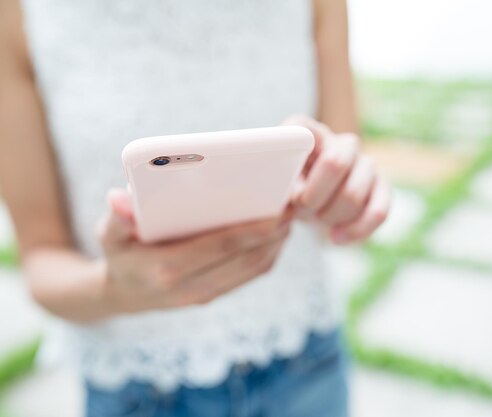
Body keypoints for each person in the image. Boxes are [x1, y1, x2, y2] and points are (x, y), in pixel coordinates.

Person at [0, 0, 390, 416]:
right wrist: (114, 289)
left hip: (308, 362)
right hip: (138, 391)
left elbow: (343, 178)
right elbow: (42, 258)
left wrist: (345, 196)